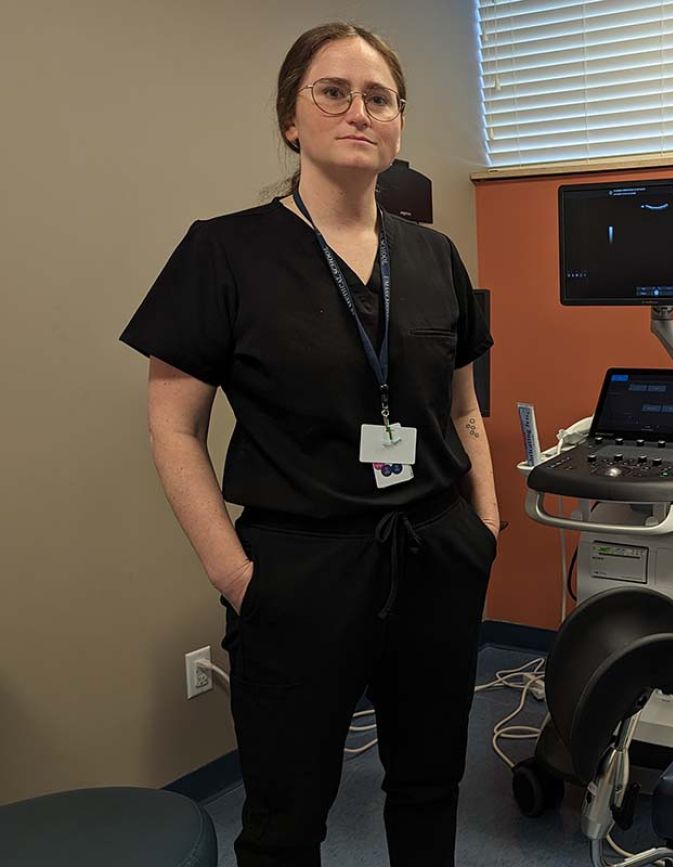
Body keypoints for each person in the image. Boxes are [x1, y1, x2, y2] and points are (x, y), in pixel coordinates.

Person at [120, 22, 497, 867]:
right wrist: (235, 575)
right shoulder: (224, 252)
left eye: (379, 97)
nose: (358, 111)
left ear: (400, 124)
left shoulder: (434, 255)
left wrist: (484, 527)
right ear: (292, 118)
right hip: (301, 567)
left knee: (431, 785)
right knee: (286, 819)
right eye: (333, 91)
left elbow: (466, 411)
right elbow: (173, 426)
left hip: (435, 553)